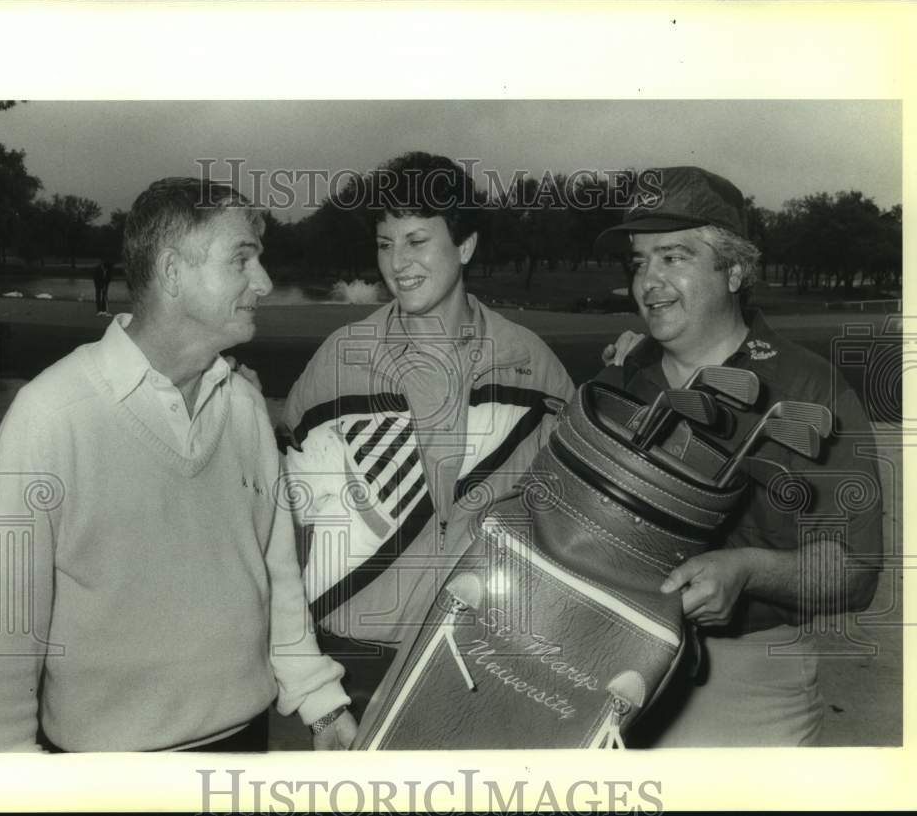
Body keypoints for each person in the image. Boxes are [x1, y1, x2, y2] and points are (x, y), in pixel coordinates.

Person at [0, 177, 356, 753]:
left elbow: (274, 572)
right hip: (109, 773)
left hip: (245, 745)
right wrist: (5, 773)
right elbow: (2, 628)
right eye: (242, 260)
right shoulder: (52, 414)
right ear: (171, 272)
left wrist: (320, 701)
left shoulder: (242, 403)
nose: (263, 283)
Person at [592, 165, 883, 746]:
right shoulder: (618, 379)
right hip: (607, 656)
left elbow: (855, 572)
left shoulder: (809, 389)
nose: (649, 280)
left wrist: (748, 571)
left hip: (744, 682)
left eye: (673, 257)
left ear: (736, 269)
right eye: (639, 261)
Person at [281, 152, 576, 712]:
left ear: (464, 246)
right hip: (354, 651)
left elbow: (565, 507)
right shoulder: (339, 359)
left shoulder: (529, 362)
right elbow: (284, 522)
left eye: (416, 240)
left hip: (479, 650)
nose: (397, 263)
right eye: (385, 243)